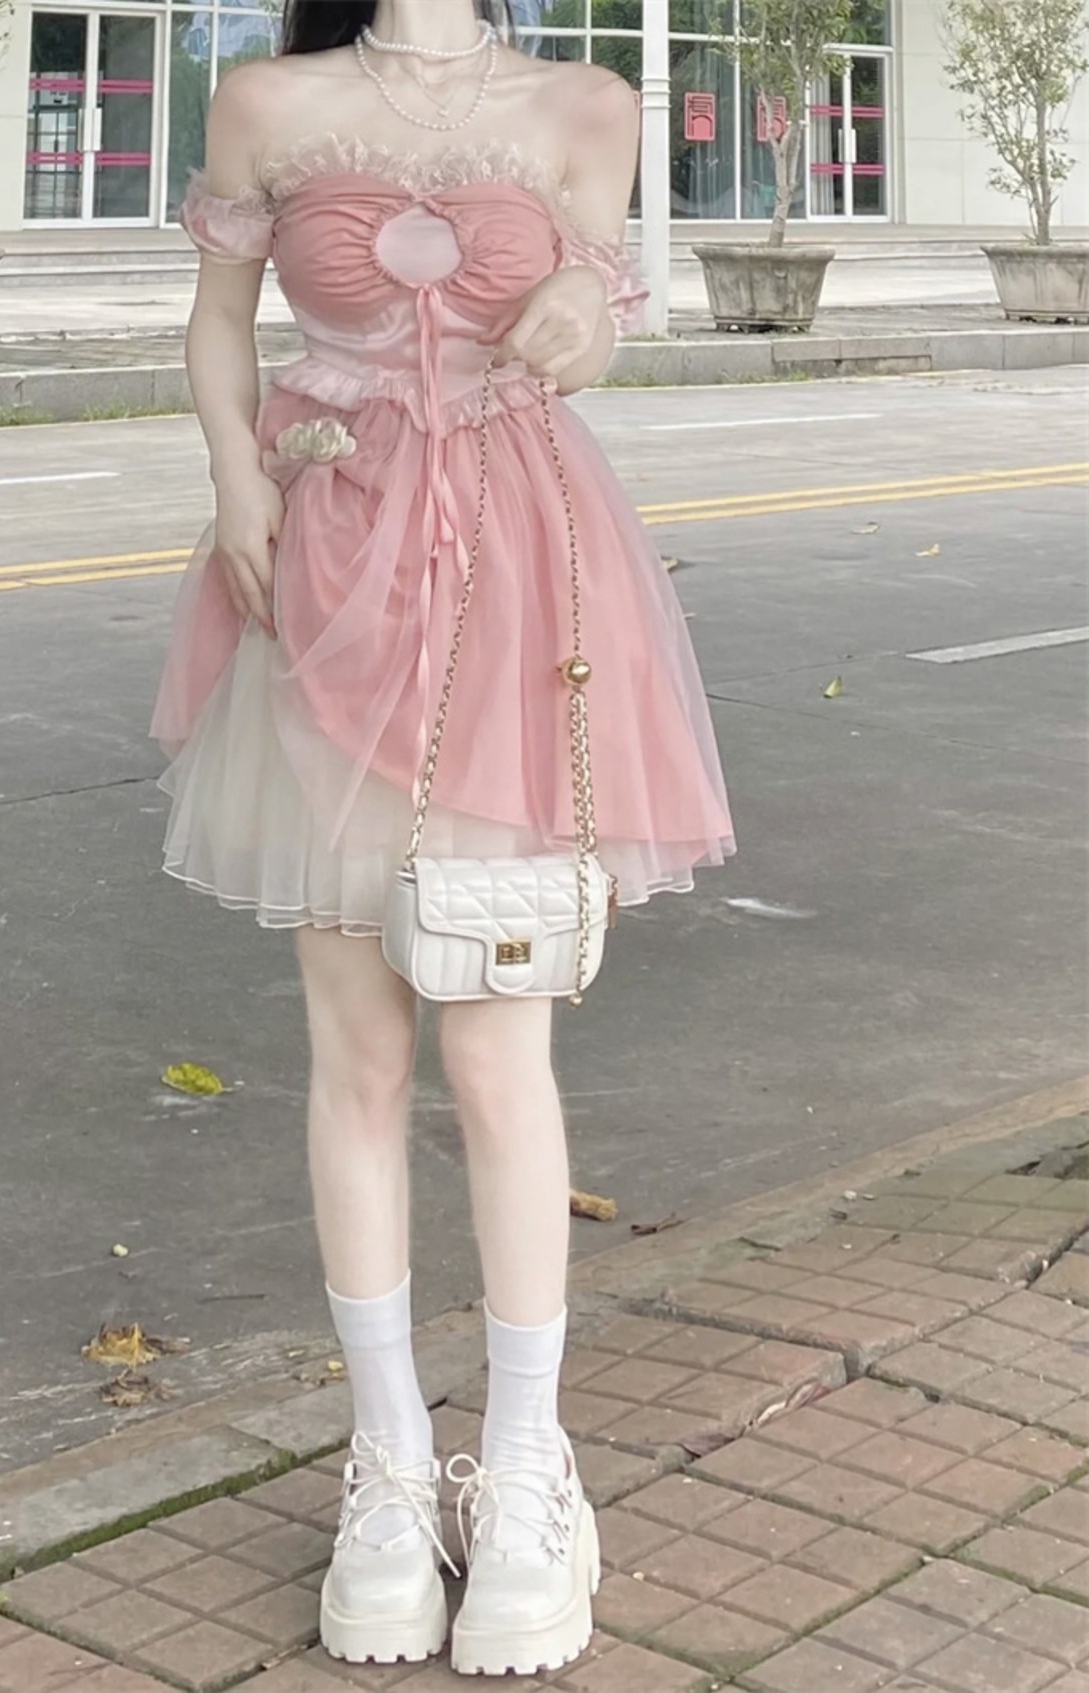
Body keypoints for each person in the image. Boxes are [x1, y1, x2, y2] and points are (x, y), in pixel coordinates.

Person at [151, 0, 735, 1674]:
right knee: (354, 1048)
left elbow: (601, 323)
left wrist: (579, 313)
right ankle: (392, 1467)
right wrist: (236, 479)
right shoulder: (266, 100)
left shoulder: (585, 103)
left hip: (516, 584)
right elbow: (217, 319)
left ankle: (530, 1462)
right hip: (326, 564)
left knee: (495, 1046)